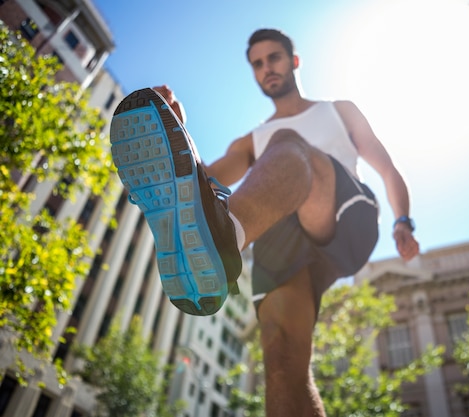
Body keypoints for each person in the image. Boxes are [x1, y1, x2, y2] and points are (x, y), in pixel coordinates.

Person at [110, 28, 419, 417]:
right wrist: (177, 133)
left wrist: (402, 221)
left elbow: (388, 169)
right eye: (257, 64)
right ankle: (224, 236)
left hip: (343, 215)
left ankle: (227, 238)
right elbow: (200, 182)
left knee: (288, 141)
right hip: (284, 239)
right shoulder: (251, 140)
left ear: (294, 61)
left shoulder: (338, 110)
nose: (266, 68)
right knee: (281, 359)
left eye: (273, 58)